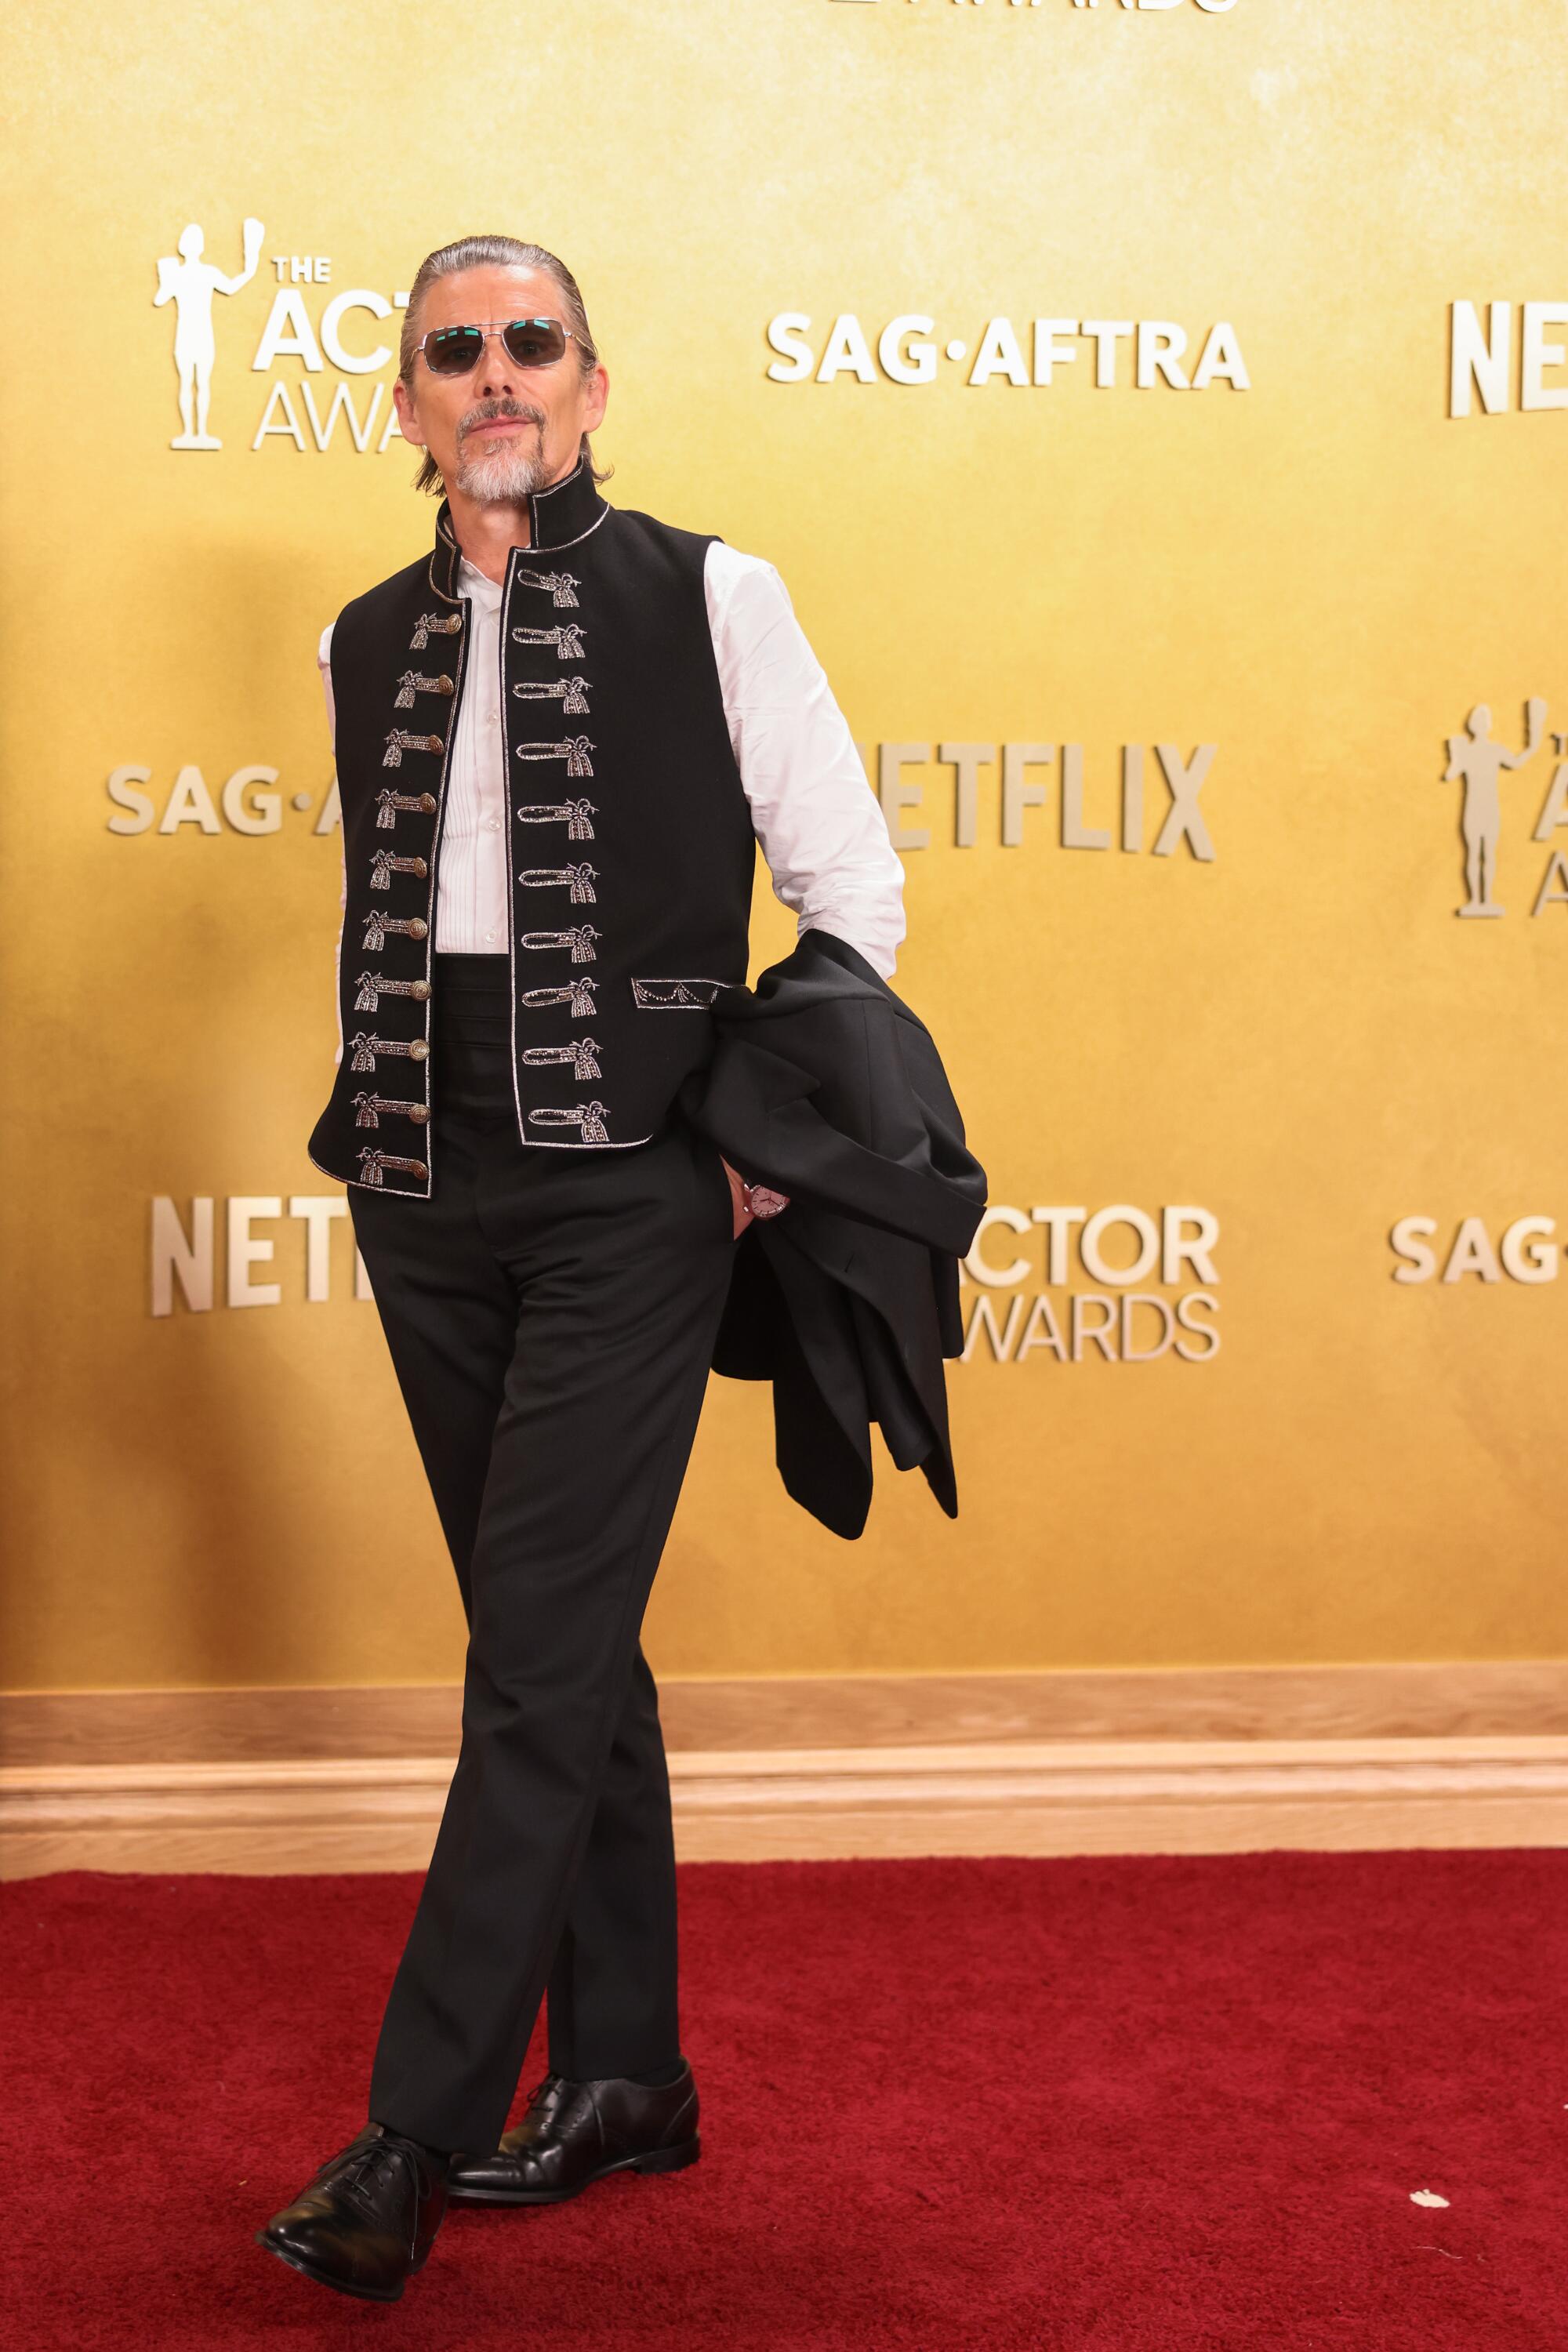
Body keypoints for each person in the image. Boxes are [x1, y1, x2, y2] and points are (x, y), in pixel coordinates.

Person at [256, 234, 909, 2305]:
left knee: (531, 1660)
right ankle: (625, 2069)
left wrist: (749, 1137)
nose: (496, 376)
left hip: (637, 1181)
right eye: (455, 352)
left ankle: (410, 2131)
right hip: (415, 1177)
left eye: (532, 343)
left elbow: (852, 882)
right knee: (567, 1642)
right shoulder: (365, 635)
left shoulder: (714, 592)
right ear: (408, 404)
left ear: (594, 385)